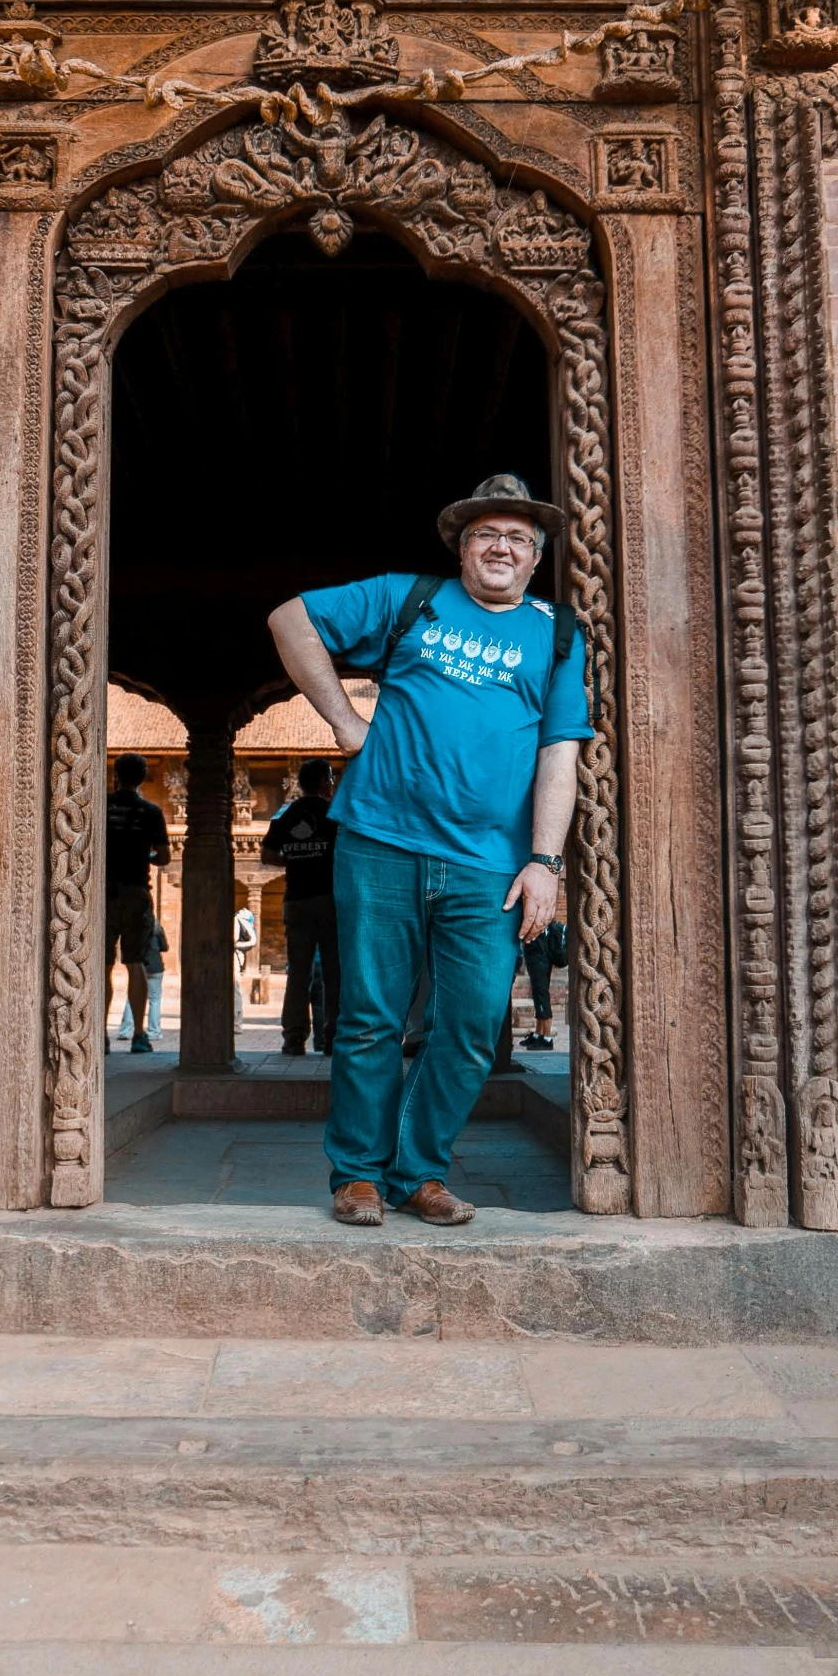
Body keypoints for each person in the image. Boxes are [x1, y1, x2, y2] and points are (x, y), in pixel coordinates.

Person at [268, 472, 592, 1227]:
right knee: (369, 1016)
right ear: (461, 546)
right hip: (380, 841)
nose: (501, 547)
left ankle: (418, 1169)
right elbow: (290, 619)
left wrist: (545, 862)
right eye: (486, 534)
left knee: (474, 1022)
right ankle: (357, 1175)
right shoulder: (408, 598)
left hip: (488, 863)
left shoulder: (558, 634)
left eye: (517, 537)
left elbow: (559, 756)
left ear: (535, 556)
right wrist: (347, 723)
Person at [261, 758, 341, 1055]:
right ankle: (333, 1036)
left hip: (295, 901)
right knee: (334, 971)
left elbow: (267, 856)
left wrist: (294, 860)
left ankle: (293, 1037)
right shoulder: (335, 813)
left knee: (298, 972)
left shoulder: (285, 814)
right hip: (329, 900)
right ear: (322, 782)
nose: (333, 784)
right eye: (331, 779)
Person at [105, 753, 170, 1056]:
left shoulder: (102, 806)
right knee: (136, 965)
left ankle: (99, 1032)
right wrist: (144, 857)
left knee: (101, 967)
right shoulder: (152, 811)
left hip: (103, 894)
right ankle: (140, 1035)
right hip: (136, 892)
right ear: (143, 778)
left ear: (116, 775)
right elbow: (165, 857)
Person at [119, 913, 168, 1050]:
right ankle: (154, 1032)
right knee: (155, 1000)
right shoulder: (157, 929)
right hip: (156, 967)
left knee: (132, 998)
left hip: (140, 964)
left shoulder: (132, 929)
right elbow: (165, 947)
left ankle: (125, 1030)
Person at [519, 918, 565, 1051]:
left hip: (540, 956)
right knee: (537, 994)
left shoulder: (541, 920)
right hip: (534, 954)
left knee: (541, 994)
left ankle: (546, 1037)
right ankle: (539, 1033)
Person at [232, 899, 257, 1028]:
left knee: (233, 987)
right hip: (237, 956)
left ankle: (236, 1022)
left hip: (233, 957)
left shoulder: (236, 920)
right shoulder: (239, 919)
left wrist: (234, 946)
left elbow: (234, 940)